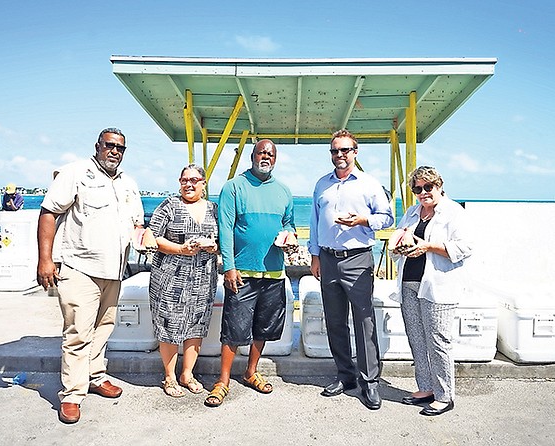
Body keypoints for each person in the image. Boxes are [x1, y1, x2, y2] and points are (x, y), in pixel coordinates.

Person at [36, 128, 144, 424]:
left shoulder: (129, 184)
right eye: (109, 145)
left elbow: (137, 226)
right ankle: (72, 394)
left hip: (114, 271)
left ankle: (95, 377)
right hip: (79, 268)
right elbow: (48, 213)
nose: (114, 151)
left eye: (120, 148)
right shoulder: (75, 173)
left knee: (103, 328)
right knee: (78, 333)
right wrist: (45, 260)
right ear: (97, 146)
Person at [205, 139, 296, 407]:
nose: (265, 156)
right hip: (241, 272)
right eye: (261, 152)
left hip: (274, 272)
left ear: (275, 159)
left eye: (270, 153)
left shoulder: (284, 191)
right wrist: (229, 267)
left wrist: (290, 237)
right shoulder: (234, 187)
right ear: (252, 156)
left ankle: (250, 372)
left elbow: (288, 222)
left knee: (263, 328)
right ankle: (222, 381)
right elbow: (226, 228)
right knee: (234, 329)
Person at [308, 129, 394, 410]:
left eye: (345, 150)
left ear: (355, 152)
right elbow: (314, 221)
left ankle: (370, 382)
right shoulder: (322, 184)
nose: (340, 155)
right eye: (335, 151)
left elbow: (387, 217)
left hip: (358, 259)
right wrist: (315, 255)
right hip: (329, 260)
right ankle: (345, 377)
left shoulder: (370, 184)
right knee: (335, 321)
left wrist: (362, 220)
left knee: (364, 322)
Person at [389, 165, 472, 416]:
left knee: (438, 341)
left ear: (439, 186)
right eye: (418, 188)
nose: (423, 192)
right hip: (409, 283)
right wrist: (399, 247)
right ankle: (425, 387)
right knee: (416, 338)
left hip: (438, 286)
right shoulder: (413, 212)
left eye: (428, 187)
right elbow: (400, 237)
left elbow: (464, 247)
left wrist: (429, 247)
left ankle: (445, 396)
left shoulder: (454, 212)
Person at [148, 164, 219, 397]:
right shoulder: (169, 205)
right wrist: (180, 248)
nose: (189, 184)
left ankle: (187, 373)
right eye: (184, 180)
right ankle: (169, 377)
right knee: (169, 324)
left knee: (196, 323)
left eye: (194, 180)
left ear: (203, 184)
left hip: (203, 276)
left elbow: (220, 240)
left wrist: (213, 246)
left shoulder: (213, 209)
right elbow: (153, 235)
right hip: (170, 276)